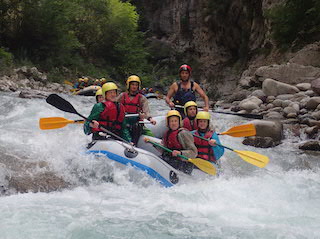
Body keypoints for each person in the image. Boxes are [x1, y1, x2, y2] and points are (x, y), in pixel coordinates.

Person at [117, 75, 156, 145]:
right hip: (124, 121)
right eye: (132, 84)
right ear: (129, 85)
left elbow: (146, 111)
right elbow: (115, 107)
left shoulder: (142, 98)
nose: (134, 87)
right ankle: (129, 142)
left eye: (136, 85)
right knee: (123, 129)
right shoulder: (122, 96)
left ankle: (156, 144)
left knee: (149, 134)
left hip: (137, 122)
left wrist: (150, 119)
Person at [161, 110, 197, 174]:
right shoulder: (167, 133)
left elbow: (194, 152)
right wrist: (153, 144)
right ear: (168, 123)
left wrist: (180, 153)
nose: (173, 123)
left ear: (179, 122)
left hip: (184, 163)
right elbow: (164, 149)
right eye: (171, 121)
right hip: (172, 160)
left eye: (175, 121)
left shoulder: (183, 133)